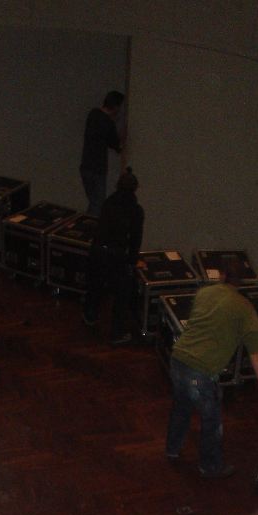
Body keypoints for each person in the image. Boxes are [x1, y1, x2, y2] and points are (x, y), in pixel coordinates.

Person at [166, 256, 258, 478]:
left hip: (178, 358)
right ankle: (210, 466)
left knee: (181, 407)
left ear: (221, 274)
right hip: (201, 370)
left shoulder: (204, 293)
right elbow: (255, 349)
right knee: (212, 420)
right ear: (242, 281)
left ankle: (172, 449)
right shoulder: (245, 308)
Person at [82, 169, 144, 346]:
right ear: (135, 188)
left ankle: (90, 315)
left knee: (95, 286)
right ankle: (117, 333)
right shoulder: (136, 210)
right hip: (117, 256)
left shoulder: (109, 202)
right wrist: (132, 261)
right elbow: (135, 239)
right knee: (121, 295)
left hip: (98, 251)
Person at [79, 91, 124, 216]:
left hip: (86, 166)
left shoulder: (93, 114)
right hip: (98, 169)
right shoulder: (108, 123)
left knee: (93, 202)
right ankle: (91, 226)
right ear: (115, 106)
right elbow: (116, 145)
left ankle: (87, 223)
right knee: (98, 204)